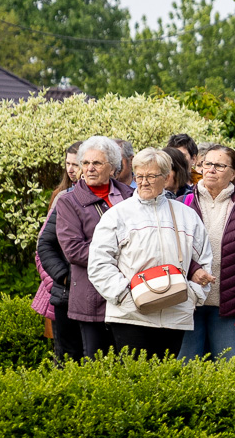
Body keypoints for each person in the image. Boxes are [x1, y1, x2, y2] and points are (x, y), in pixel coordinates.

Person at [89, 147, 214, 358]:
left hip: (175, 315)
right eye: (139, 176)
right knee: (134, 376)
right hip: (131, 317)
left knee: (167, 376)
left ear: (166, 178)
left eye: (151, 176)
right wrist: (125, 297)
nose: (144, 182)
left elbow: (204, 259)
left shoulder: (186, 215)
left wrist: (191, 296)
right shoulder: (118, 215)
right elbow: (99, 263)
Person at [178, 145, 235, 361]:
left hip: (229, 307)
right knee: (185, 369)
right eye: (207, 164)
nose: (211, 169)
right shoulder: (183, 204)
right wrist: (193, 270)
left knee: (228, 369)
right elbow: (171, 249)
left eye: (219, 165)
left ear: (234, 173)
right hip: (187, 302)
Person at [51, 136, 133, 359]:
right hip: (91, 294)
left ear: (113, 167)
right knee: (96, 361)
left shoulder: (129, 196)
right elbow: (74, 250)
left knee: (127, 361)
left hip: (128, 294)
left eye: (97, 163)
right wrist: (122, 259)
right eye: (85, 163)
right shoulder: (68, 201)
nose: (89, 168)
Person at [34, 141, 82, 358]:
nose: (71, 169)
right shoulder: (61, 196)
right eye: (67, 163)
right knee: (64, 353)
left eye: (75, 164)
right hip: (60, 288)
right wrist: (58, 279)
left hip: (76, 289)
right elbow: (44, 245)